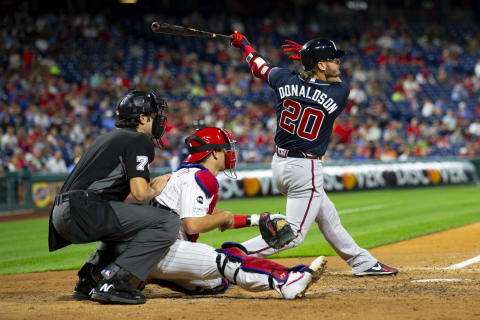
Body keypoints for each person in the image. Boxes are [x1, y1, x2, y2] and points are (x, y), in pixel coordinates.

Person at [229, 31, 398, 276]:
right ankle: (232, 255)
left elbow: (259, 66)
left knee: (328, 217)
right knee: (293, 234)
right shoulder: (338, 92)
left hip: (280, 164)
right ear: (321, 64)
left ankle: (362, 262)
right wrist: (305, 56)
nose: (338, 64)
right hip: (304, 169)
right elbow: (327, 83)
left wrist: (244, 44)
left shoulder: (283, 79)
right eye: (333, 60)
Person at [147, 127, 327, 299]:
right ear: (215, 153)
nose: (231, 152)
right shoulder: (200, 177)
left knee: (217, 282)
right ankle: (286, 281)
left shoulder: (185, 173)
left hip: (151, 251)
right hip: (163, 248)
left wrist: (255, 220)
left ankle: (150, 276)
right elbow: (193, 225)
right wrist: (223, 217)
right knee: (227, 260)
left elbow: (211, 216)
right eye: (227, 148)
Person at [48, 90, 181, 304]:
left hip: (61, 214)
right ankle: (116, 281)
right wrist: (155, 188)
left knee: (132, 228)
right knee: (168, 221)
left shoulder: (107, 137)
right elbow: (139, 192)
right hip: (85, 209)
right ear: (142, 118)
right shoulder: (139, 140)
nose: (159, 120)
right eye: (155, 115)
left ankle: (89, 279)